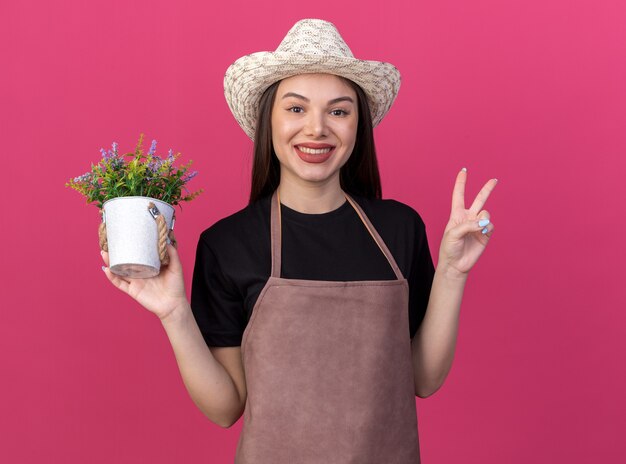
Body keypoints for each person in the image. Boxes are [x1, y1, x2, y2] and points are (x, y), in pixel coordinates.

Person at [101, 18, 497, 464]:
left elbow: (423, 379)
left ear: (356, 127)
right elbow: (226, 407)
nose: (317, 128)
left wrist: (451, 272)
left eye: (339, 111)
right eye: (295, 109)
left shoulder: (399, 229)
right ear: (268, 120)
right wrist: (174, 313)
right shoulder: (228, 243)